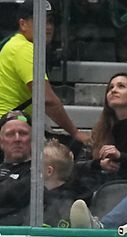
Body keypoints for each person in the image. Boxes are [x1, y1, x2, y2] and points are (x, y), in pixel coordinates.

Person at [0, 0, 89, 146]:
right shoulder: (24, 49)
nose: (48, 27)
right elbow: (46, 99)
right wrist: (75, 132)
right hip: (10, 126)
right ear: (23, 24)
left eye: (50, 22)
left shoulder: (17, 44)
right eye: (40, 21)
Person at [75, 73, 127, 193]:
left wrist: (120, 157)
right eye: (110, 88)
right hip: (102, 187)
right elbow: (79, 165)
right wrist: (100, 164)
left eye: (121, 86)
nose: (114, 90)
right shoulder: (101, 129)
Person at [0, 111, 31, 225]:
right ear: (1, 141)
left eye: (23, 133)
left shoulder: (41, 172)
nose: (17, 139)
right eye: (10, 134)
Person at [42, 139, 78, 228]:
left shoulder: (65, 207)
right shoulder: (37, 196)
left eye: (36, 165)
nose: (31, 168)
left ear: (49, 171)